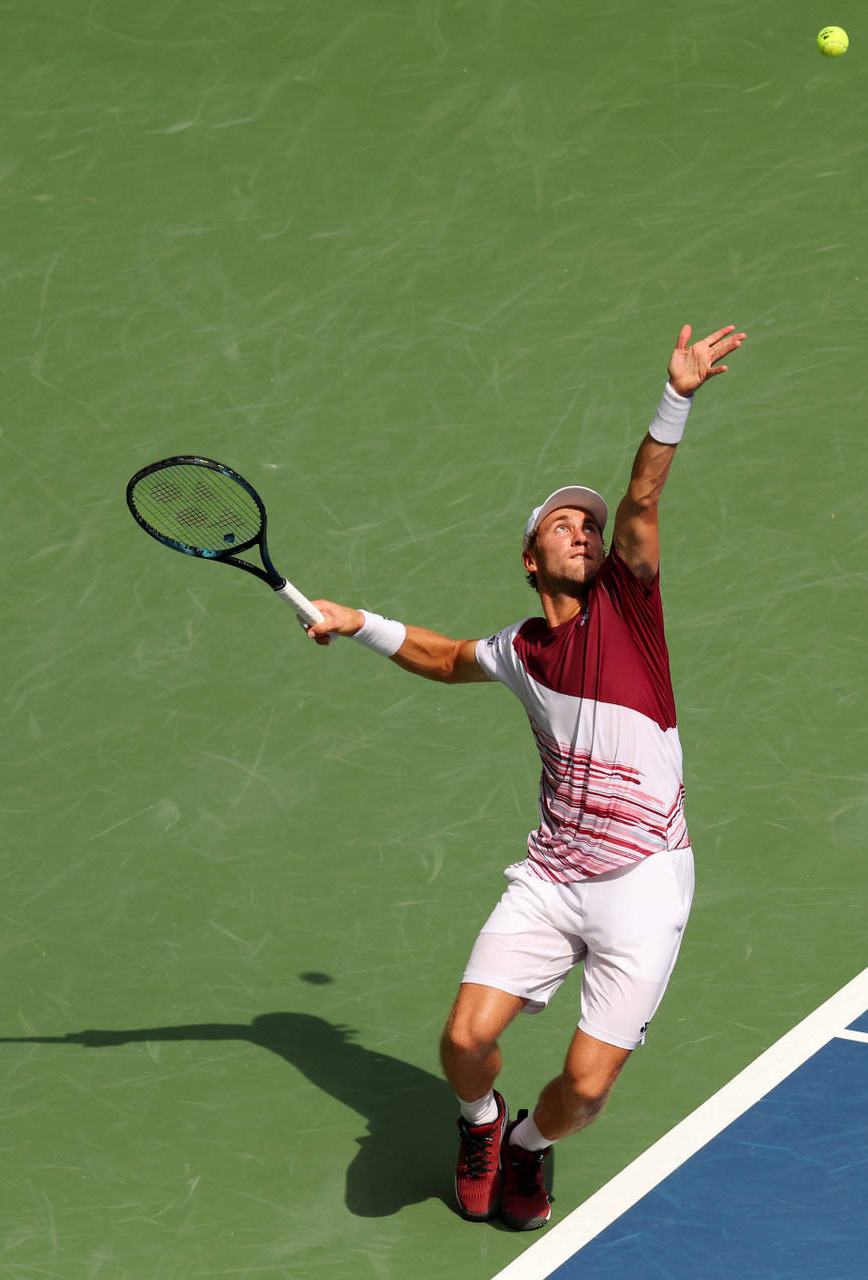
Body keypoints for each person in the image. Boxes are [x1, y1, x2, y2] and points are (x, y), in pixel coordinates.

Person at [300, 322, 746, 1231]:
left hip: (644, 881)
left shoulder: (629, 608)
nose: (583, 532)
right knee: (464, 1039)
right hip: (552, 875)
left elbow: (644, 500)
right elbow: (441, 656)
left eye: (589, 523)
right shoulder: (519, 648)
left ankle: (533, 1148)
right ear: (531, 556)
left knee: (584, 1088)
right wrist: (357, 620)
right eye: (561, 524)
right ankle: (481, 1123)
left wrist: (678, 397)